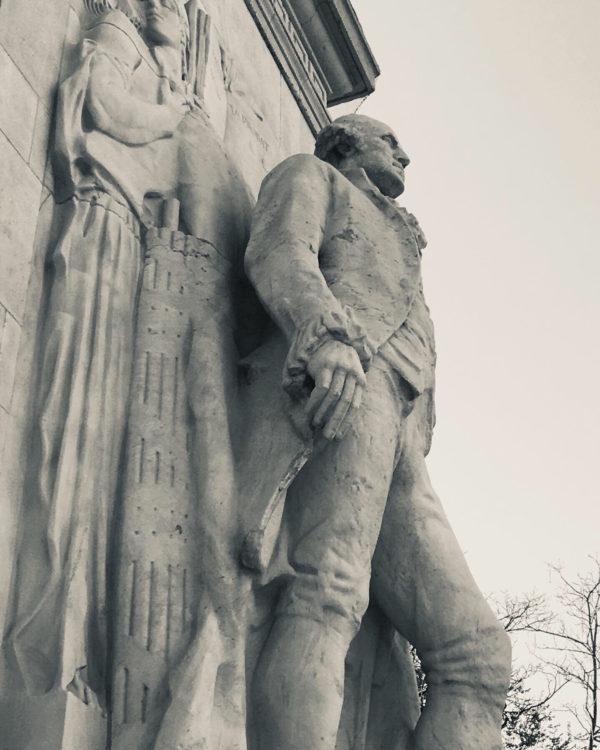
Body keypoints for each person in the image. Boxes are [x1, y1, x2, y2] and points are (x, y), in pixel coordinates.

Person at [244, 114, 512, 750]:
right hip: (345, 386)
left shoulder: (402, 235)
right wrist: (325, 333)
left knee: (476, 654)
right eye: (389, 140)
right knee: (329, 592)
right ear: (346, 144)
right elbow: (280, 250)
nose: (405, 154)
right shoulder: (312, 177)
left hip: (402, 435)